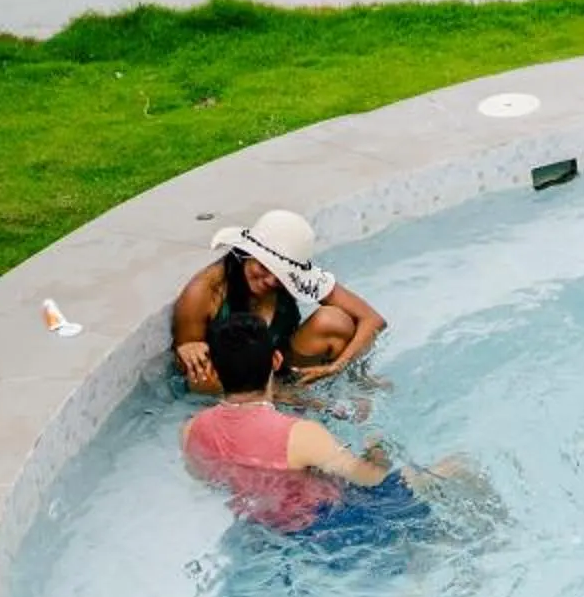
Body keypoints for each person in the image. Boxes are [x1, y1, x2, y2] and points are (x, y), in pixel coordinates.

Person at [182, 314, 437, 544]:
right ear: (276, 359)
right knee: (454, 469)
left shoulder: (192, 430)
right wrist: (376, 444)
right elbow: (371, 478)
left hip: (266, 529)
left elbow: (208, 478)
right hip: (332, 527)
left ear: (214, 369)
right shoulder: (299, 435)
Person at [172, 210, 386, 392]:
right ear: (247, 253)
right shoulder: (204, 292)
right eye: (264, 267)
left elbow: (373, 320)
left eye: (283, 276)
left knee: (334, 321)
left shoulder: (296, 279)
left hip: (282, 368)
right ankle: (300, 403)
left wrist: (338, 366)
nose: (271, 281)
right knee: (204, 377)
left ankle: (353, 390)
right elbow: (194, 375)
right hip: (235, 385)